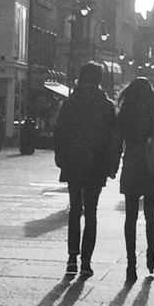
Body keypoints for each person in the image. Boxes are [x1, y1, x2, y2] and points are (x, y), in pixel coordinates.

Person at [54, 62, 123, 278]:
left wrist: (61, 158)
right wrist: (112, 164)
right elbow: (114, 139)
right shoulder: (106, 106)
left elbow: (60, 133)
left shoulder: (69, 104)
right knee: (91, 212)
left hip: (73, 162)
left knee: (75, 209)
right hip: (96, 163)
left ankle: (71, 259)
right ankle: (86, 262)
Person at [117, 77, 154, 283]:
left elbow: (117, 141)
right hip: (153, 168)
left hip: (132, 165)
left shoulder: (125, 115)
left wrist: (113, 165)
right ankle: (151, 256)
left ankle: (130, 263)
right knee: (151, 216)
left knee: (130, 217)